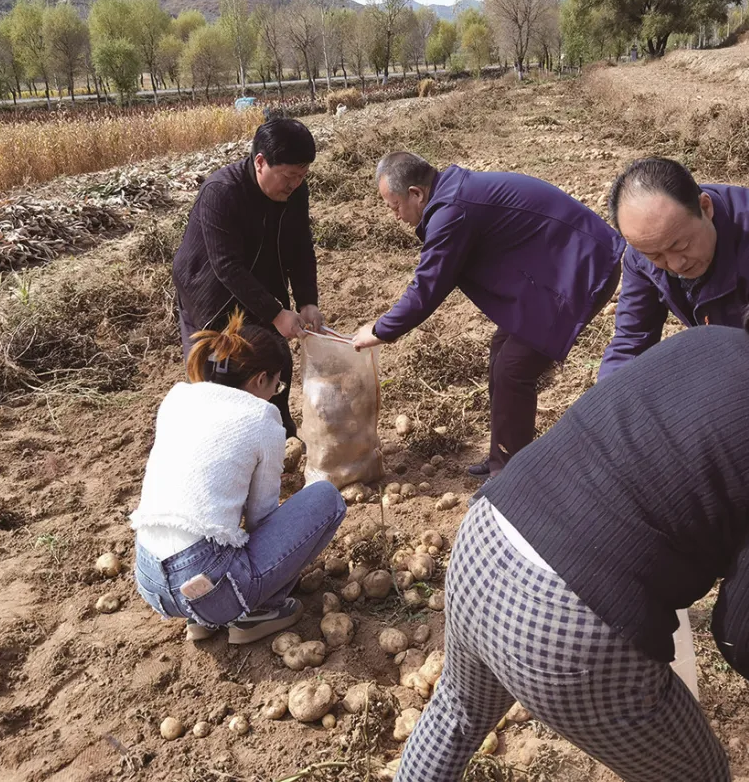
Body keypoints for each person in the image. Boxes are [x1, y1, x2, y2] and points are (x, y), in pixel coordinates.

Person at [394, 239, 749, 782]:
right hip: (565, 623)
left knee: (456, 716)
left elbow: (687, 479)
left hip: (485, 542)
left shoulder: (706, 344)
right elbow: (748, 634)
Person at [351, 152, 626, 478]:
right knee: (502, 354)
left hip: (583, 270)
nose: (394, 215)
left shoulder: (452, 211)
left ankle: (509, 475)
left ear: (416, 193)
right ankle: (504, 457)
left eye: (394, 205)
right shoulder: (453, 197)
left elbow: (428, 288)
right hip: (558, 269)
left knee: (512, 368)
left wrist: (381, 329)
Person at [130, 310, 346, 644]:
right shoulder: (261, 416)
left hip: (150, 581)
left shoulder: (178, 398)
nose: (276, 392)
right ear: (261, 379)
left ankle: (202, 617)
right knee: (326, 498)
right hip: (209, 581)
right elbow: (261, 517)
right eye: (277, 384)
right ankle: (254, 611)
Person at [598, 156, 749, 380]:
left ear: (705, 207)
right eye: (655, 255)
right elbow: (630, 342)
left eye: (681, 245)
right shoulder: (647, 245)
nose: (675, 264)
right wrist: (604, 408)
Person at [172, 118, 325, 438]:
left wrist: (307, 300)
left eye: (302, 176)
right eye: (288, 176)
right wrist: (276, 313)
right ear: (260, 162)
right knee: (221, 373)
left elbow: (300, 247)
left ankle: (279, 433)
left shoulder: (295, 192)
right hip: (211, 292)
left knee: (275, 361)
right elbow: (226, 266)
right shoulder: (221, 193)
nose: (294, 184)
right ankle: (223, 444)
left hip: (262, 280)